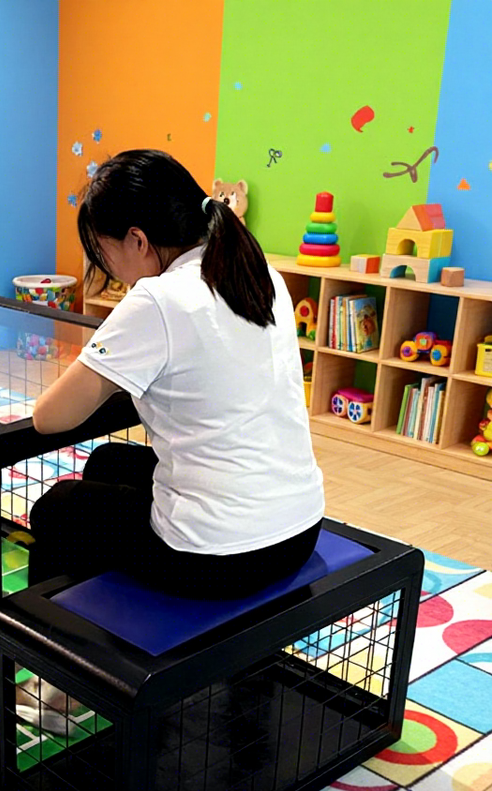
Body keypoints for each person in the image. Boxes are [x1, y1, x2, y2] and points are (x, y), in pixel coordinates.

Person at [26, 148, 325, 599]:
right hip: (299, 531)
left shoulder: (158, 298)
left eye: (104, 252)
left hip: (217, 559)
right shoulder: (259, 274)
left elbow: (50, 417)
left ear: (137, 240)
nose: (109, 270)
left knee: (58, 506)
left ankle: (49, 634)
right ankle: (113, 599)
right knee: (110, 462)